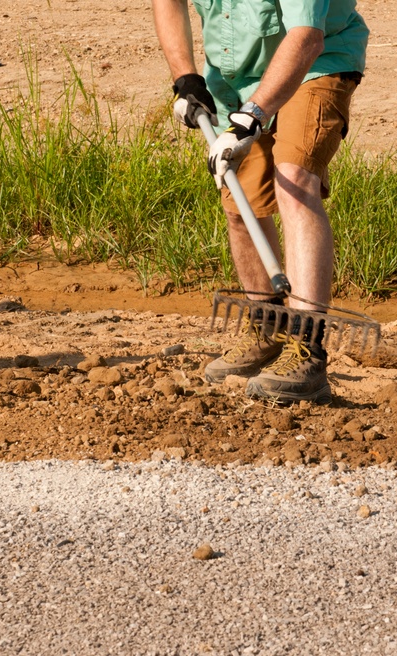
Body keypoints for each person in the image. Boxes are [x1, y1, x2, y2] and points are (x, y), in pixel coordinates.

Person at [151, 0, 368, 405]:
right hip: (236, 80)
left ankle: (307, 351)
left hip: (316, 64)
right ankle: (267, 329)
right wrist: (185, 78)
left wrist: (252, 117)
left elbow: (306, 37)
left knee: (294, 181)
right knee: (239, 204)